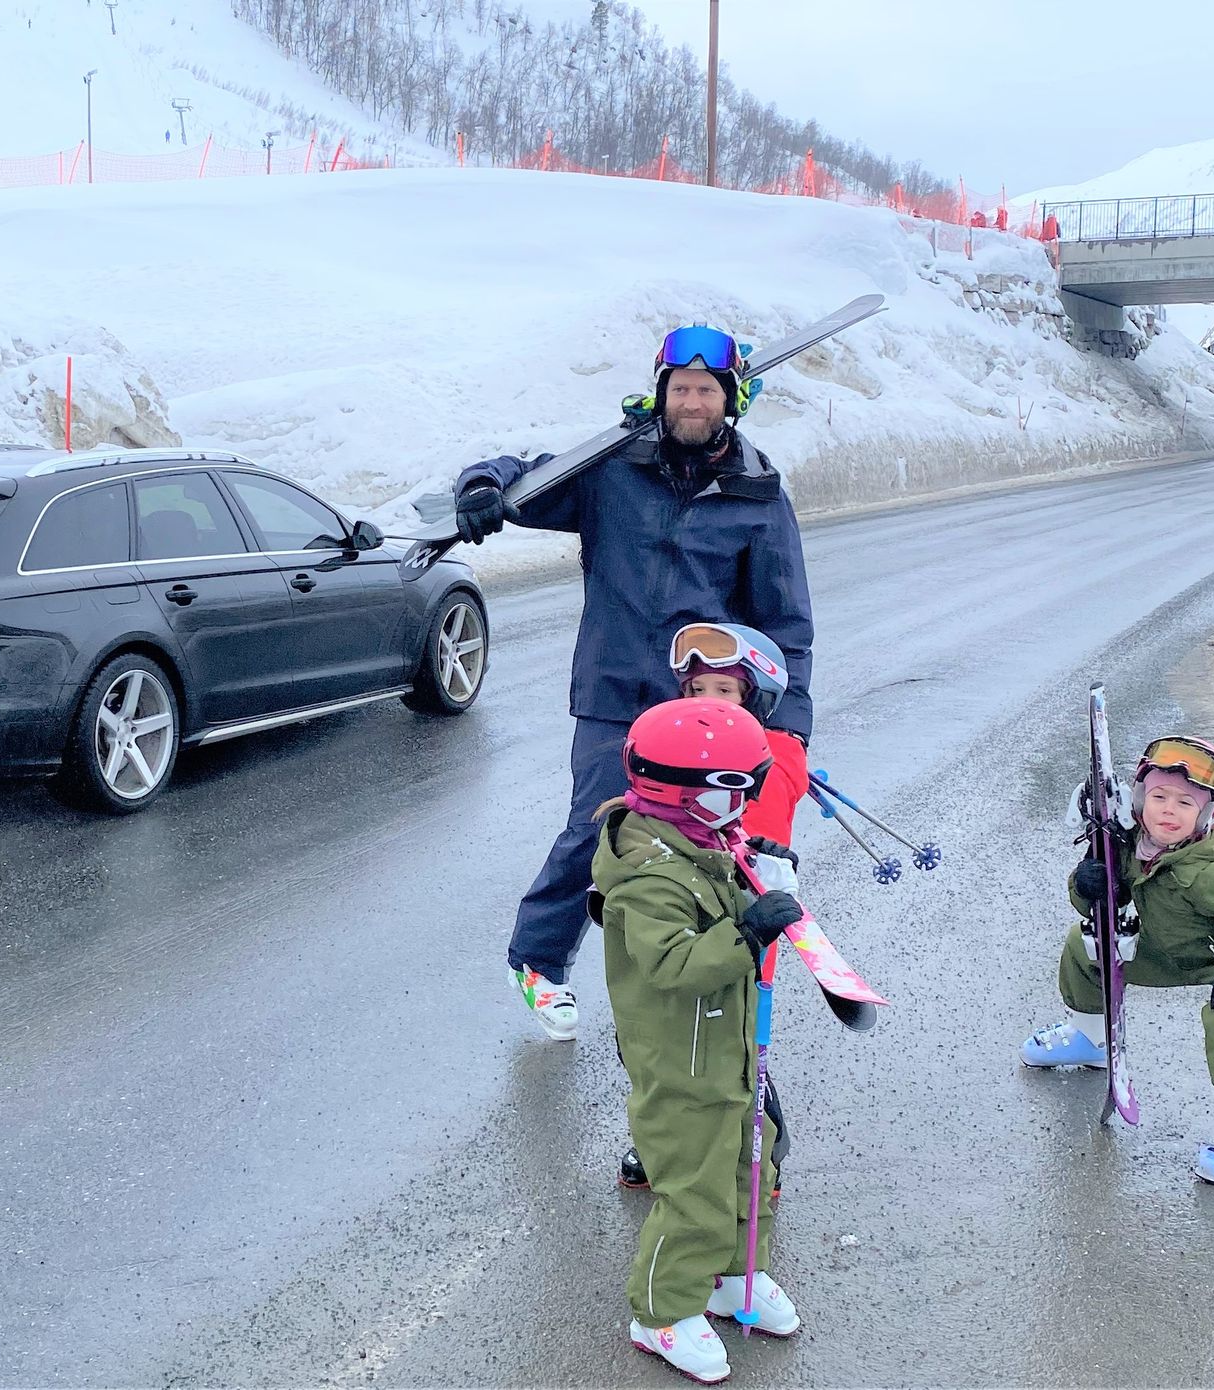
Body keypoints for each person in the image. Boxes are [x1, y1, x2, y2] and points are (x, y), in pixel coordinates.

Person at [454, 326, 816, 1042]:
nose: (691, 402)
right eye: (679, 389)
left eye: (705, 391)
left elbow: (785, 618)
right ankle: (537, 961)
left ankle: (692, 974)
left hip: (705, 705)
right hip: (614, 687)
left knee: (706, 842)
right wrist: (483, 487)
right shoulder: (610, 469)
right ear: (661, 394)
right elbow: (524, 481)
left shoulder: (757, 493)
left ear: (728, 400)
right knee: (600, 824)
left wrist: (787, 722)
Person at [593, 699, 807, 1382]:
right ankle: (661, 1311)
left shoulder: (703, 841)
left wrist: (756, 880)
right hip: (683, 1068)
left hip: (729, 1053)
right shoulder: (650, 875)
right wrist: (751, 931)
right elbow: (676, 965)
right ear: (689, 792)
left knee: (753, 1165)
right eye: (739, 787)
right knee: (693, 1188)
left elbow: (718, 899)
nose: (749, 802)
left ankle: (735, 1276)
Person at [1020, 736, 1214, 1183]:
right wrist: (1088, 886)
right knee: (1083, 943)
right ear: (1141, 800)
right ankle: (1091, 1039)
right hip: (1152, 952)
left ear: (1208, 814)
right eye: (1159, 797)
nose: (1169, 810)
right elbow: (1097, 903)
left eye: (1186, 802)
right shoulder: (1125, 844)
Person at [620, 621, 800, 1192]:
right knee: (656, 1050)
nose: (708, 705)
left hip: (734, 936)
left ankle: (758, 1154)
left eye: (725, 692)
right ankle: (666, 1143)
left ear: (756, 700)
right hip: (674, 930)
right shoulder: (681, 749)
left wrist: (750, 925)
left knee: (731, 1054)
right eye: (696, 691)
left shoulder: (768, 760)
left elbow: (748, 848)